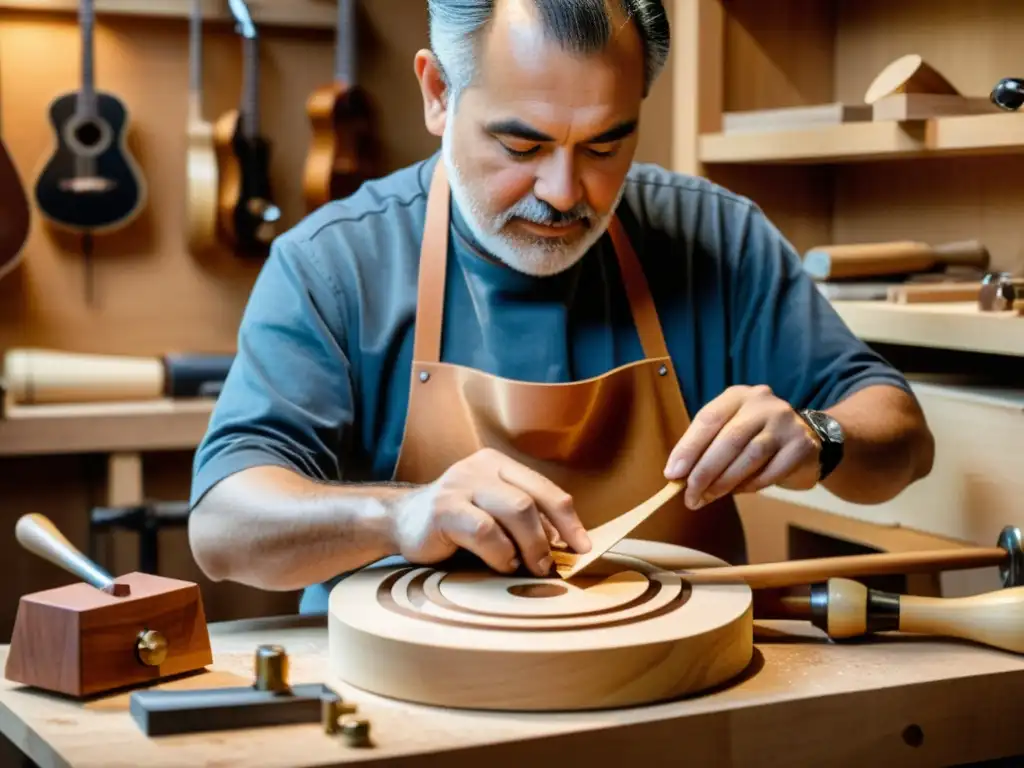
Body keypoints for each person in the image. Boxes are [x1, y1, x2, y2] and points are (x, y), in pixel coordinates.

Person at [187, 0, 935, 613]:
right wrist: (399, 514)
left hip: (681, 698)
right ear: (438, 92)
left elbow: (901, 437)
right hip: (410, 712)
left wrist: (822, 435)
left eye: (606, 146)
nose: (564, 192)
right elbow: (224, 527)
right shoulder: (334, 263)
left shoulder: (719, 236)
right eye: (521, 146)